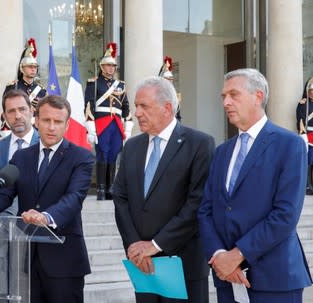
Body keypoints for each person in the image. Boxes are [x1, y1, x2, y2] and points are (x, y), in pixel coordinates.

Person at [0, 95, 94, 303]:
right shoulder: (22, 157)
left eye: (58, 122)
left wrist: (47, 217)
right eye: (46, 120)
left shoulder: (81, 157)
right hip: (30, 261)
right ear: (37, 121)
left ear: (67, 125)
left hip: (65, 260)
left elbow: (74, 198)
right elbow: (5, 193)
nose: (51, 127)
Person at [198, 68, 312, 303]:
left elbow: (285, 215)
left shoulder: (289, 144)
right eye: (223, 97)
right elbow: (206, 210)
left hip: (275, 280)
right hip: (228, 279)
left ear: (258, 96)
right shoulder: (222, 152)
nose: (226, 102)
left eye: (233, 94)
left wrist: (238, 254)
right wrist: (220, 256)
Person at [113, 76, 215, 303]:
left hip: (183, 263)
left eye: (144, 106)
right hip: (142, 264)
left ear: (167, 108)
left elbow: (197, 202)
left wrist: (156, 245)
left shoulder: (199, 144)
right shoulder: (132, 146)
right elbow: (120, 198)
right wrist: (135, 246)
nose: (136, 113)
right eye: (136, 106)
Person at [85, 42, 133, 200]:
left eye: (113, 66)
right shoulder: (94, 83)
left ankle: (110, 187)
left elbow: (126, 108)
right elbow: (89, 106)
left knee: (113, 155)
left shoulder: (121, 85)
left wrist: (127, 128)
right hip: (102, 123)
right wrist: (91, 128)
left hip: (116, 124)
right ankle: (100, 188)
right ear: (102, 66)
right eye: (108, 65)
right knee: (102, 155)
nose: (111, 68)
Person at [1, 38, 47, 136]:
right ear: (22, 68)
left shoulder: (41, 91)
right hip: (17, 127)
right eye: (30, 67)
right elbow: (6, 110)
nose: (33, 70)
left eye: (35, 67)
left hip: (36, 130)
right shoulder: (13, 87)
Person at [0, 89, 39, 169]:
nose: (17, 116)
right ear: (4, 116)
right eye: (11, 111)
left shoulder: (45, 144)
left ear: (31, 111)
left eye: (22, 109)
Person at [296, 78, 313, 195]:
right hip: (309, 136)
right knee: (308, 162)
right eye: (311, 91)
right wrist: (302, 134)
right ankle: (307, 185)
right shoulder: (303, 104)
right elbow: (301, 119)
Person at [158, 56, 181, 121]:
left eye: (171, 79)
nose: (170, 81)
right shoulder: (159, 93)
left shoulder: (174, 93)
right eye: (168, 79)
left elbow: (177, 113)